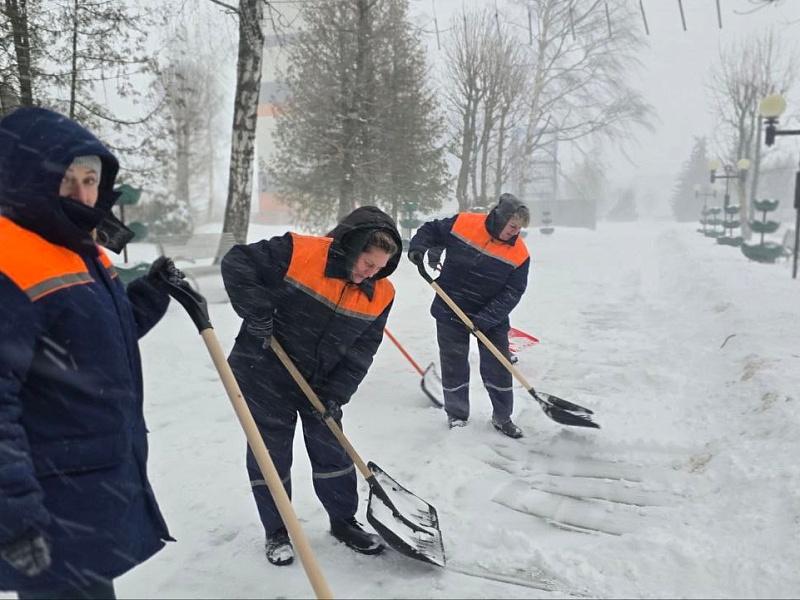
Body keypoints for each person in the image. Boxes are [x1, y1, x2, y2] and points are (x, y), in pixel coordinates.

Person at [0, 106, 183, 599]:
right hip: (47, 496)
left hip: (82, 489)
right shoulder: (8, 262)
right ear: (25, 180)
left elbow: (92, 344)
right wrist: (12, 516)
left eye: (91, 180)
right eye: (67, 182)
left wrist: (149, 292)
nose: (84, 195)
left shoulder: (73, 248)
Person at [220, 206, 403, 567]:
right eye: (368, 263)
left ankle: (343, 521)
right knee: (270, 453)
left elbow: (363, 350)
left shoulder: (381, 293)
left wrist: (336, 394)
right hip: (265, 369)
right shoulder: (298, 252)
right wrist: (257, 309)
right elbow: (237, 262)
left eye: (380, 268)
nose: (371, 273)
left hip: (322, 382)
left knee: (332, 449)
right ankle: (277, 531)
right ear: (352, 246)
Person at [408, 193, 530, 438]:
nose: (515, 233)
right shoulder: (464, 223)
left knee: (498, 366)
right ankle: (457, 415)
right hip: (450, 307)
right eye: (513, 226)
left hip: (491, 318)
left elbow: (514, 291)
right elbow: (432, 230)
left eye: (519, 229)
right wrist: (419, 249)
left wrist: (486, 319)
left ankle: (503, 417)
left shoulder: (520, 253)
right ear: (501, 218)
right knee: (454, 364)